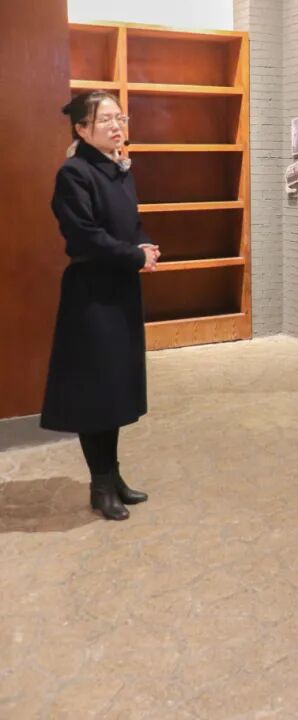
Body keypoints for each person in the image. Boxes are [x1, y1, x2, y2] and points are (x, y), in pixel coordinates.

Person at [40, 91, 159, 521]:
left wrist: (144, 245)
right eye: (104, 119)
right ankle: (101, 486)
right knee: (96, 393)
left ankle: (114, 476)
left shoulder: (119, 167)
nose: (115, 126)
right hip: (91, 294)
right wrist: (133, 255)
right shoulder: (74, 173)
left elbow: (131, 223)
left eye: (119, 117)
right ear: (81, 129)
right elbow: (85, 236)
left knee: (115, 388)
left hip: (121, 289)